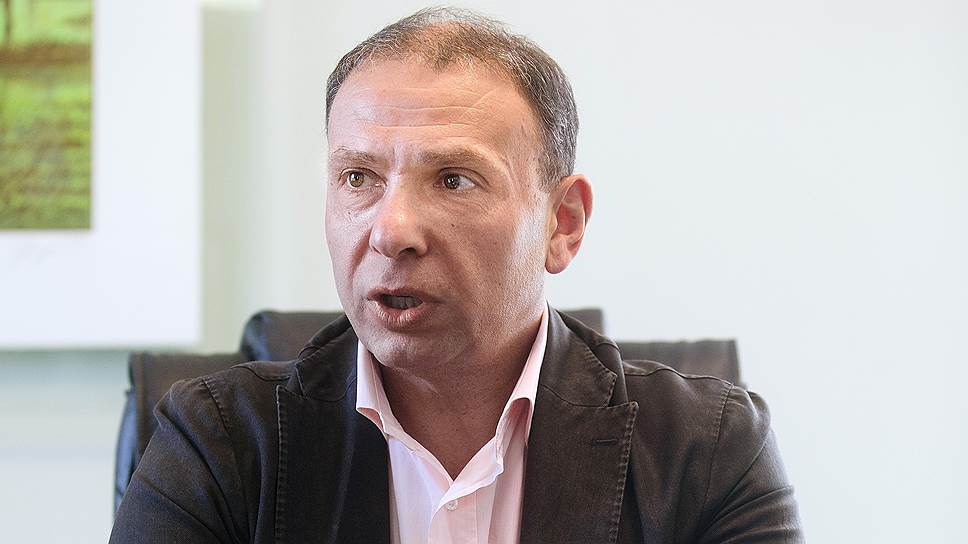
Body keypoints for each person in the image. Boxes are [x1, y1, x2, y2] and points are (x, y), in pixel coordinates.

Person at [111, 7, 803, 543]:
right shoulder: (220, 444)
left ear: (562, 223)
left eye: (453, 179)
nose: (391, 231)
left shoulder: (707, 451)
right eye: (358, 177)